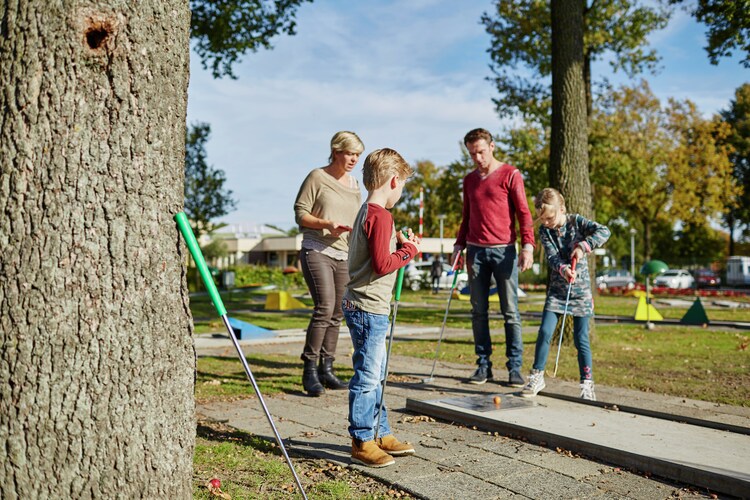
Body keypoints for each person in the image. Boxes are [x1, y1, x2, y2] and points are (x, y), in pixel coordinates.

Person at [342, 148, 421, 468]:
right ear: (393, 180)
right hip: (368, 307)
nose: (400, 192)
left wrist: (400, 245)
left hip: (364, 305)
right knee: (367, 376)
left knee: (376, 375)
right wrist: (410, 251)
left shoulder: (366, 211)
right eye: (402, 186)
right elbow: (383, 263)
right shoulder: (381, 216)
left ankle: (381, 430)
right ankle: (362, 439)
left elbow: (376, 258)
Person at [452, 128, 535, 387]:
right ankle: (483, 366)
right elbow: (466, 216)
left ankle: (515, 368)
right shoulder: (469, 180)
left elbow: (523, 212)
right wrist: (458, 245)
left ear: (492, 146)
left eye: (481, 151)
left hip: (504, 251)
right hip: (475, 251)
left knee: (510, 312)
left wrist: (528, 246)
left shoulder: (510, 174)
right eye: (472, 153)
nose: (477, 158)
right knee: (478, 312)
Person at [521, 188, 611, 401]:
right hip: (557, 292)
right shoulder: (545, 231)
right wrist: (563, 269)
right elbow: (552, 257)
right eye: (542, 219)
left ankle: (587, 384)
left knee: (581, 339)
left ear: (562, 209)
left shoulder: (577, 222)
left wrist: (584, 246)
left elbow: (604, 231)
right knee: (544, 332)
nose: (546, 222)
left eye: (550, 217)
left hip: (580, 294)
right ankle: (537, 376)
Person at [294, 131, 364, 397]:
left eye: (357, 154)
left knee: (338, 312)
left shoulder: (355, 184)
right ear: (336, 151)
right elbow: (300, 213)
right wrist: (326, 224)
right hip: (317, 250)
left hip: (344, 254)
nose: (354, 159)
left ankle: (327, 368)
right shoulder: (317, 177)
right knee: (324, 308)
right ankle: (309, 370)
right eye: (349, 153)